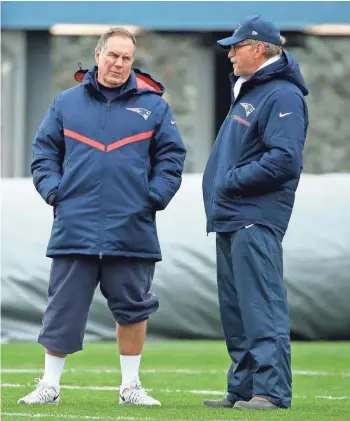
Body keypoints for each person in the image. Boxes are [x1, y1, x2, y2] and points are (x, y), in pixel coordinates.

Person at [18, 27, 186, 407]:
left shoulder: (154, 106)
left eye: (126, 58)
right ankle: (49, 386)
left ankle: (130, 387)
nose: (119, 64)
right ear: (98, 55)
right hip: (75, 224)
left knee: (133, 307)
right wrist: (55, 192)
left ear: (132, 61)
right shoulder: (65, 103)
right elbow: (44, 153)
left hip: (132, 226)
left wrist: (155, 197)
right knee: (62, 307)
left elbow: (172, 158)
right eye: (112, 55)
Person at [202, 15, 308, 410]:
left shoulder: (281, 95)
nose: (230, 54)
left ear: (260, 48)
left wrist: (230, 179)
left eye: (237, 46)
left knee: (261, 305)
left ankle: (271, 392)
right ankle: (244, 388)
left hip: (254, 216)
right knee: (236, 311)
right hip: (231, 217)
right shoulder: (250, 91)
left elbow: (284, 159)